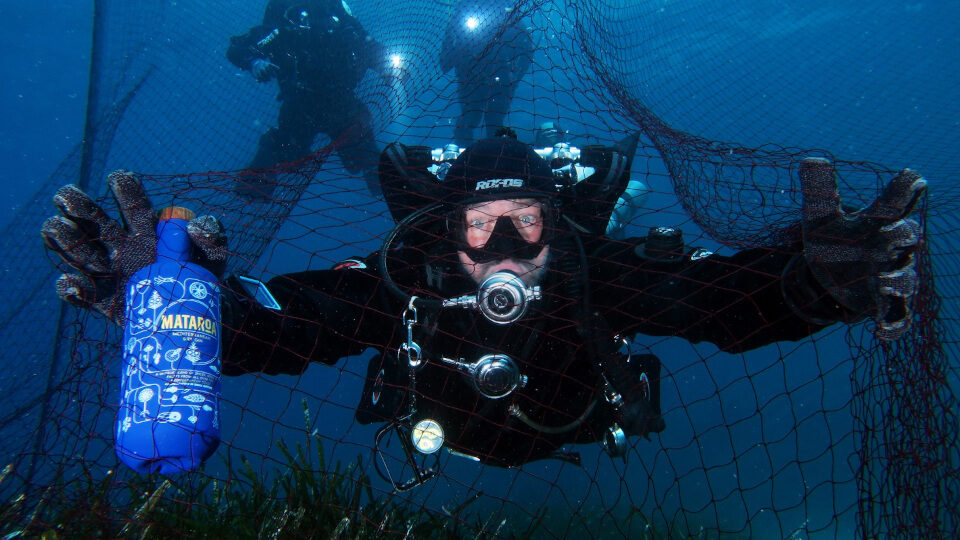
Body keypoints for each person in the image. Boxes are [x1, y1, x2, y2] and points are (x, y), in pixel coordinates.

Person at [42, 135, 924, 487]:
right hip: (447, 434)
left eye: (527, 218)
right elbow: (293, 322)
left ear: (558, 228)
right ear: (445, 232)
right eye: (480, 221)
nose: (504, 243)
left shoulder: (595, 274)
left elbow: (721, 302)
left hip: (566, 428)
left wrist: (810, 286)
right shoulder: (409, 282)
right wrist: (181, 307)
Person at [227, 0, 388, 198]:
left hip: (339, 102)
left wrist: (385, 66)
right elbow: (239, 48)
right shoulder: (284, 21)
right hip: (301, 105)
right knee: (289, 154)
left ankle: (386, 187)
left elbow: (366, 44)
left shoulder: (339, 16)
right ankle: (257, 180)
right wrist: (255, 62)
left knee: (362, 158)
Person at [440, 2, 534, 147]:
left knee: (488, 121)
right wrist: (515, 76)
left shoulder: (508, 16)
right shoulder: (464, 15)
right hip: (474, 79)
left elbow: (527, 49)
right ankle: (477, 159)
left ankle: (477, 159)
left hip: (493, 80)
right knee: (474, 119)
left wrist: (515, 76)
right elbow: (446, 57)